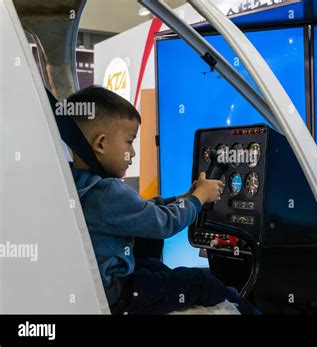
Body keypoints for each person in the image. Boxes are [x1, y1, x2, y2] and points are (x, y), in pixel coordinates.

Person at [68, 86, 258, 314]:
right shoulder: (105, 192)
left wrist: (183, 198)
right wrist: (199, 198)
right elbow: (162, 223)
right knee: (200, 281)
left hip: (104, 285)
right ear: (100, 144)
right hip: (118, 294)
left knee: (154, 266)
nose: (133, 153)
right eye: (129, 142)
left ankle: (228, 295)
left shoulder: (77, 183)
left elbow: (142, 210)